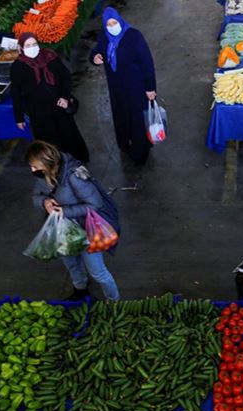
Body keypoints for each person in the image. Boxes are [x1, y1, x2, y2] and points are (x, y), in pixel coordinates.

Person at [27, 141, 120, 301]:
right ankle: (80, 290)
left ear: (47, 163)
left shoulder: (74, 176)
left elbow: (96, 204)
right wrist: (45, 202)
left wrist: (65, 211)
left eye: (35, 166)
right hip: (65, 230)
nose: (32, 170)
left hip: (87, 230)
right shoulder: (44, 176)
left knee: (97, 271)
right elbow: (36, 196)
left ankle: (114, 300)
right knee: (72, 263)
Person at [91, 7, 157, 166]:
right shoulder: (104, 38)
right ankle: (125, 143)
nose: (112, 26)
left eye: (114, 22)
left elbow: (147, 63)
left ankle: (141, 151)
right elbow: (96, 51)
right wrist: (94, 57)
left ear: (120, 21)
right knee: (122, 116)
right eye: (108, 24)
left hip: (136, 88)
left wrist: (150, 88)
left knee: (137, 120)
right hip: (116, 89)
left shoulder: (134, 37)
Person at [12, 33, 90, 164]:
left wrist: (65, 97)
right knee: (49, 140)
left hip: (59, 105)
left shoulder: (50, 57)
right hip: (38, 113)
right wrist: (19, 117)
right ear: (21, 48)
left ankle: (77, 161)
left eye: (34, 44)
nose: (32, 48)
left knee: (68, 134)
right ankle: (55, 164)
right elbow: (16, 93)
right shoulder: (17, 67)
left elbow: (66, 78)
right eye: (28, 45)